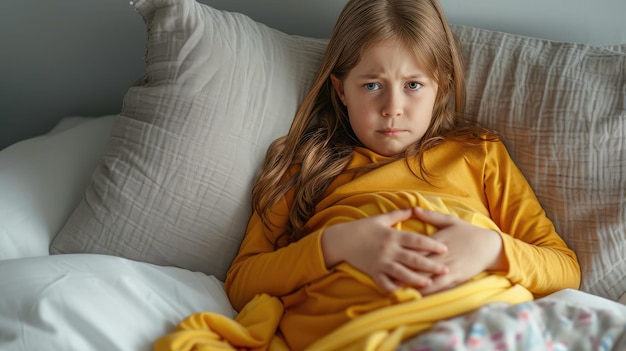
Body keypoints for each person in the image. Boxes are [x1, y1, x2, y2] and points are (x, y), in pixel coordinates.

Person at [155, 0, 581, 349]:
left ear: (442, 87)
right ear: (341, 89)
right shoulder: (307, 163)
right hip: (352, 329)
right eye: (372, 85)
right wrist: (335, 244)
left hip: (477, 315)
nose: (393, 107)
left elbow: (564, 268)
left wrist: (491, 249)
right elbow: (243, 283)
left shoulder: (478, 153)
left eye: (413, 85)